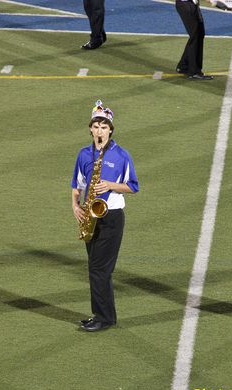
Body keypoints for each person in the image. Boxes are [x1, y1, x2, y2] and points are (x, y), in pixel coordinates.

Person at [71, 100, 139, 332]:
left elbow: (133, 186)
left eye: (104, 126)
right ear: (90, 129)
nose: (100, 130)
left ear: (110, 130)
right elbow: (76, 185)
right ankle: (103, 315)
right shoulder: (83, 154)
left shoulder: (121, 156)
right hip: (90, 215)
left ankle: (103, 317)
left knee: (100, 269)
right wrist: (75, 206)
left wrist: (110, 184)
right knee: (95, 268)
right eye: (96, 126)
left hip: (111, 217)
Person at [175, 0, 214, 80]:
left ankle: (184, 65)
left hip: (191, 4)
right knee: (195, 36)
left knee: (199, 34)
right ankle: (194, 72)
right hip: (186, 5)